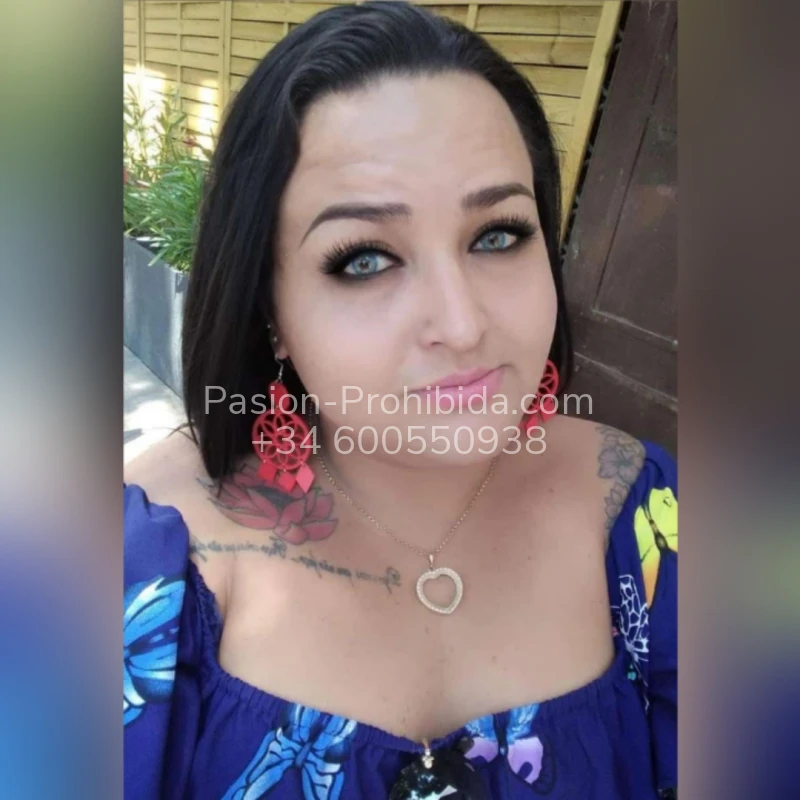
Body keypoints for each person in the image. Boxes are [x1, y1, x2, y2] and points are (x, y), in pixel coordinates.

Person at [123, 2, 677, 797]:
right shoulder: (128, 565)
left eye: (498, 235)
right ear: (268, 308)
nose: (461, 324)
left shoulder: (649, 517)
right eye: (364, 260)